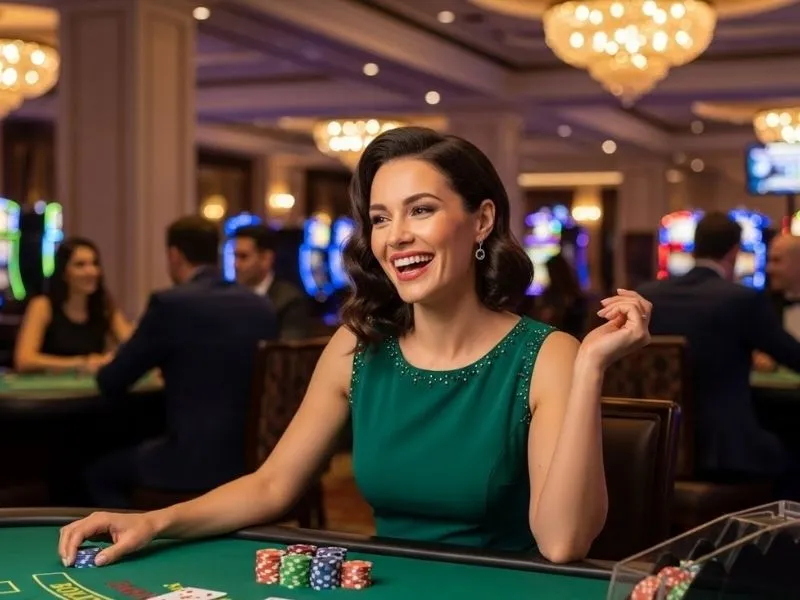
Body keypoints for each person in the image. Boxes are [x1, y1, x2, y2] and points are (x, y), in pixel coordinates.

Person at [59, 126, 651, 567]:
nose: (397, 237)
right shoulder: (356, 347)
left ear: (481, 220)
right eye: (380, 218)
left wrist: (591, 367)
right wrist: (155, 521)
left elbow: (563, 542)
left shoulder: (547, 354)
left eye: (421, 210)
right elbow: (271, 486)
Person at [84, 216, 278, 508]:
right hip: (255, 460)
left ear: (174, 255)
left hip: (192, 462)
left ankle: (127, 545)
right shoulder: (260, 305)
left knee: (96, 473)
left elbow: (111, 380)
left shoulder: (170, 304)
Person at [637, 212, 800, 479]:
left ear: (694, 246)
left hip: (654, 446)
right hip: (724, 453)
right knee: (792, 452)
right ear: (735, 252)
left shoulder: (646, 296)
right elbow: (793, 355)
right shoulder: (741, 299)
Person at [14, 237, 133, 373]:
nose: (91, 271)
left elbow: (134, 345)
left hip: (90, 390)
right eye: (80, 265)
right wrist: (80, 363)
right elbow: (24, 360)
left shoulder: (104, 305)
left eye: (94, 264)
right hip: (48, 390)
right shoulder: (42, 305)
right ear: (64, 272)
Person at [233, 224, 310, 339]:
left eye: (243, 257)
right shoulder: (230, 297)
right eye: (235, 256)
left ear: (266, 259)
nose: (236, 264)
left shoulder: (289, 299)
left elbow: (288, 352)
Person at [533, 253, 589, 339]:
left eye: (551, 271)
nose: (550, 274)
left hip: (570, 335)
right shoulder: (549, 292)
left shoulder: (575, 295)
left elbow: (580, 322)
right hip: (551, 335)